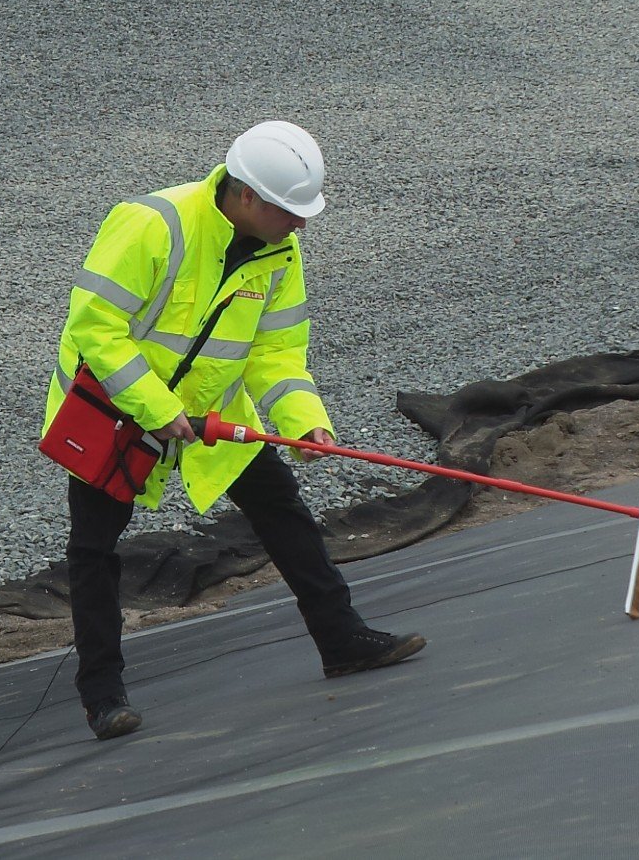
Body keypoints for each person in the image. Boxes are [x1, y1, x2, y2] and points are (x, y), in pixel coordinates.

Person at [44, 120, 426, 741]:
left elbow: (278, 352)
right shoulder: (151, 223)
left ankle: (341, 639)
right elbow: (96, 329)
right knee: (95, 550)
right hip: (112, 410)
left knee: (281, 506)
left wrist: (306, 423)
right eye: (290, 211)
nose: (301, 224)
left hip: (212, 414)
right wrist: (155, 409)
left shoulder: (280, 250)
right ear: (246, 195)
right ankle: (102, 697)